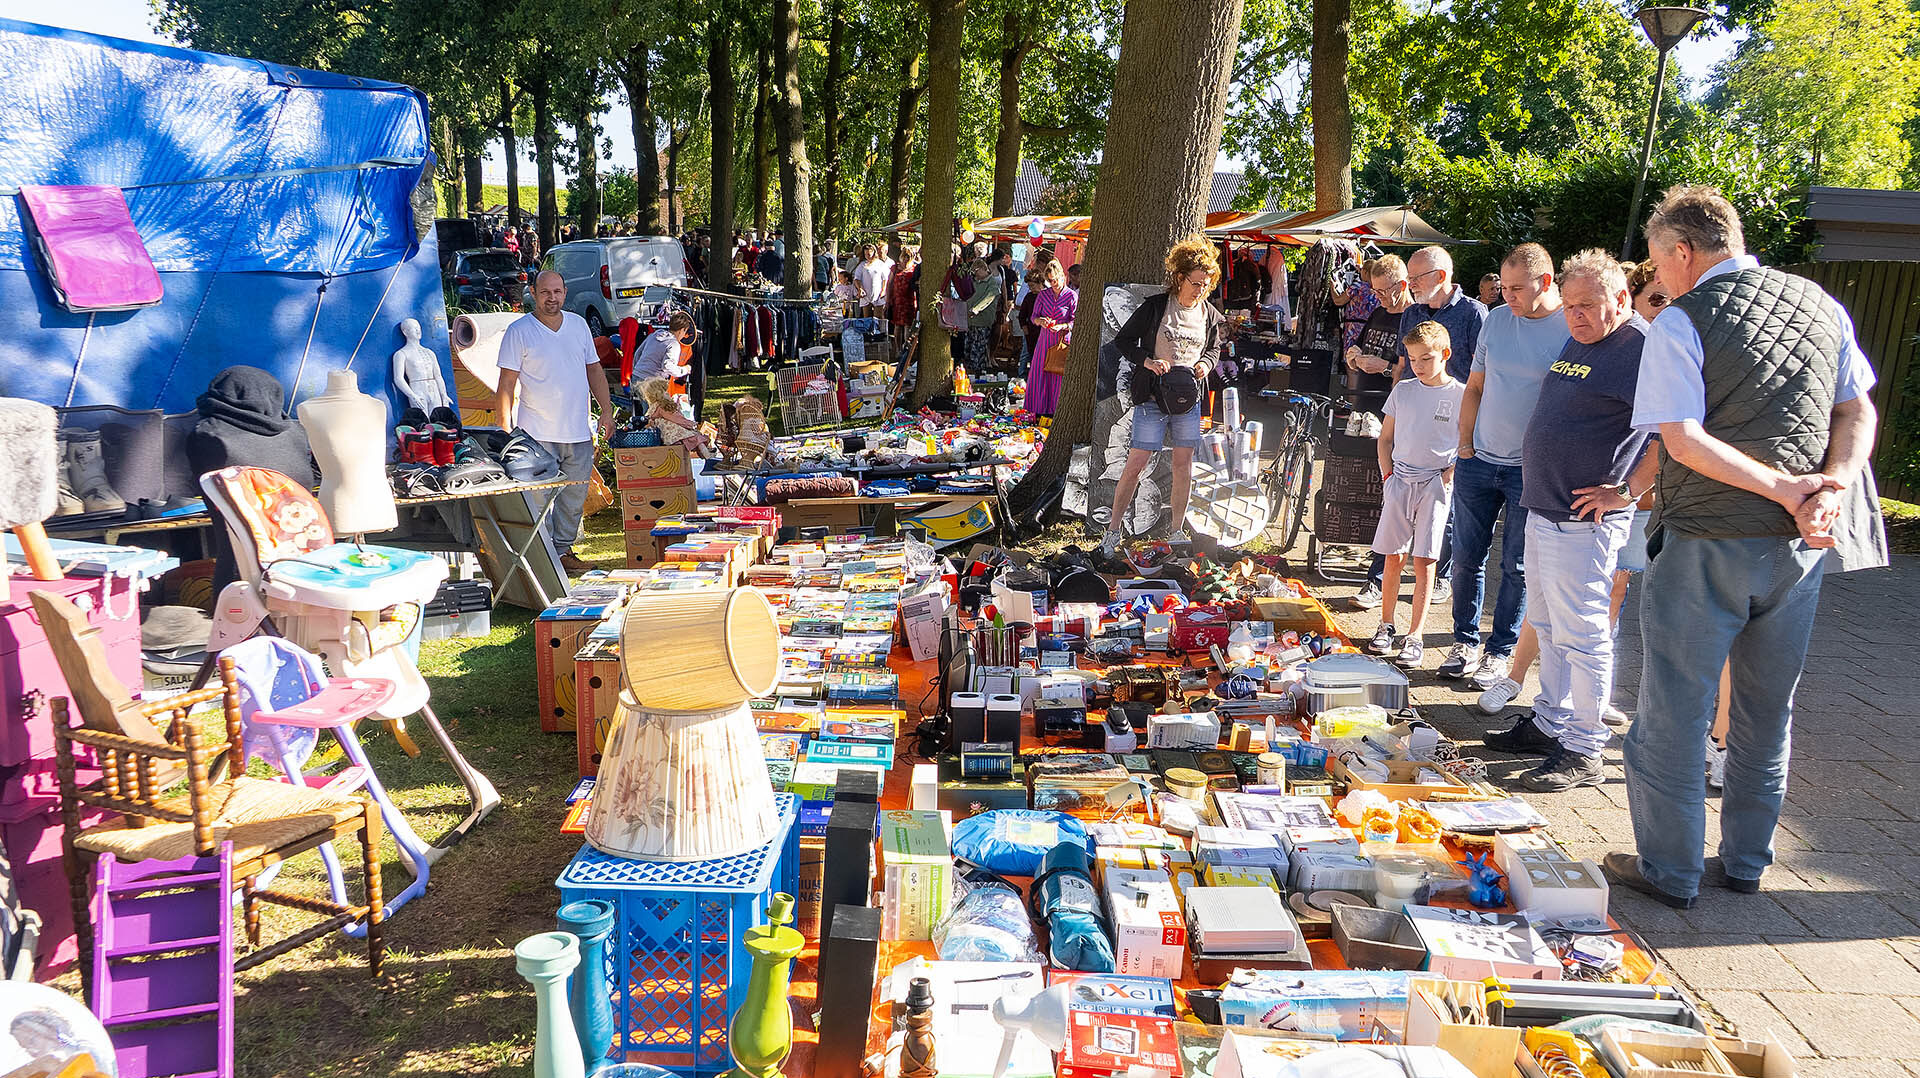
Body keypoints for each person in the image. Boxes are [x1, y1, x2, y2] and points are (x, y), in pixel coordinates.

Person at [1607, 185, 1881, 909]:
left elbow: (1682, 440)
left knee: (1674, 712)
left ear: (1684, 253)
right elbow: (1857, 408)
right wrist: (1830, 484)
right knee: (1766, 713)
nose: (1655, 281)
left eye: (1659, 265)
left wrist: (1789, 488)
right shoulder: (1824, 307)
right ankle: (1747, 862)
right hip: (1797, 553)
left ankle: (1671, 871)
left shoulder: (1682, 321)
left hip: (1707, 541)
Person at [1480, 249, 1654, 792]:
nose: (1575, 315)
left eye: (1588, 305)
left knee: (1583, 634)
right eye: (1571, 305)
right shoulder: (1579, 339)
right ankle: (1550, 722)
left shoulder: (1638, 349)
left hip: (1585, 519)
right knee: (1550, 625)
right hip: (1544, 507)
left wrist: (1626, 491)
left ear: (1621, 299)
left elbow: (1670, 434)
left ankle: (1584, 747)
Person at [1438, 243, 1568, 689]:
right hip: (1478, 459)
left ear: (1546, 282)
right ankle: (1464, 642)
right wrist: (1464, 442)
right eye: (1503, 286)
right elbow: (1474, 385)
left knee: (1516, 565)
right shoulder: (1495, 319)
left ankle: (1499, 651)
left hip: (1529, 470)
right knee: (1466, 558)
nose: (1506, 295)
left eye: (1516, 289)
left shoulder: (1570, 326)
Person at [1100, 234, 1225, 552]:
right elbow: (1123, 341)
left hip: (1188, 399)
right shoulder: (1156, 307)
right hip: (1153, 398)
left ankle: (1176, 530)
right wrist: (1149, 362)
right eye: (1196, 283)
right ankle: (1113, 531)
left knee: (1184, 464)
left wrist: (1207, 365)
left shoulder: (1208, 313)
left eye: (1206, 283)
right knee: (1135, 464)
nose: (1200, 290)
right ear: (1180, 278)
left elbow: (1214, 348)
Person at [495, 270, 614, 575]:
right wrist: (505, 429)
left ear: (565, 292)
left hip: (577, 430)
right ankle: (541, 560)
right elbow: (506, 384)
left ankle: (563, 553)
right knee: (539, 501)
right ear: (533, 292)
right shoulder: (519, 331)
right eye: (545, 292)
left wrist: (607, 411)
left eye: (557, 292)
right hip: (536, 434)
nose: (552, 298)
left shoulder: (577, 325)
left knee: (573, 500)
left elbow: (595, 371)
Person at [1367, 321, 1467, 666]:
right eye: (1412, 359)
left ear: (1445, 355)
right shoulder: (1404, 391)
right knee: (1393, 556)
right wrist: (1387, 476)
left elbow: (1467, 441)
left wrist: (1448, 476)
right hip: (1400, 478)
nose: (1419, 366)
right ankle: (1386, 623)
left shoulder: (1460, 393)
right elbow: (1385, 437)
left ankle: (1416, 634)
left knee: (1425, 560)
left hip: (1435, 483)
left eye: (1426, 358)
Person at [1346, 255, 1413, 611]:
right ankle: (1376, 574)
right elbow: (1364, 346)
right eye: (1375, 291)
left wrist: (1385, 367)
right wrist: (1355, 355)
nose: (1381, 298)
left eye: (1387, 291)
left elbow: (1413, 371)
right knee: (1375, 493)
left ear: (1403, 285)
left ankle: (1376, 581)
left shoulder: (1414, 317)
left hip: (1399, 416)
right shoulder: (1378, 312)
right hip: (1368, 410)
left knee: (1395, 500)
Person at [1024, 257, 1076, 416]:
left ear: (1062, 276)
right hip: (1044, 341)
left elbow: (1076, 321)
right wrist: (1040, 321)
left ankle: (1057, 410)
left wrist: (1063, 325)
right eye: (1050, 281)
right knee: (1041, 374)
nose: (1053, 284)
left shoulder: (1072, 296)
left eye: (1055, 280)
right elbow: (1033, 317)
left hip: (1062, 341)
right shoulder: (1043, 295)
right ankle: (1038, 409)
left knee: (1058, 375)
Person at [633, 310, 696, 385]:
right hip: (652, 382)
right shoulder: (673, 344)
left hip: (636, 376)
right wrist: (685, 370)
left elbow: (637, 354)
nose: (683, 336)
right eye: (685, 332)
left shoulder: (654, 335)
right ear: (682, 330)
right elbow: (667, 366)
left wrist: (637, 370)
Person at [961, 258, 1002, 371]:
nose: (975, 274)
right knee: (968, 348)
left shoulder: (992, 283)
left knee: (978, 349)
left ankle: (978, 371)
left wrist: (976, 309)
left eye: (977, 271)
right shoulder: (973, 282)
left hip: (983, 322)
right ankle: (969, 371)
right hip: (970, 322)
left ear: (985, 269)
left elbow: (989, 297)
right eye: (973, 272)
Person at [854, 243, 891, 320]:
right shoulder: (862, 265)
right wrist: (860, 288)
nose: (868, 256)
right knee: (867, 318)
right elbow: (856, 279)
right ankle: (867, 331)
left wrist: (883, 290)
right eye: (866, 254)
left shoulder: (880, 264)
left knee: (878, 317)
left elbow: (885, 279)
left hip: (878, 294)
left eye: (870, 254)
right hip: (865, 295)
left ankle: (880, 332)